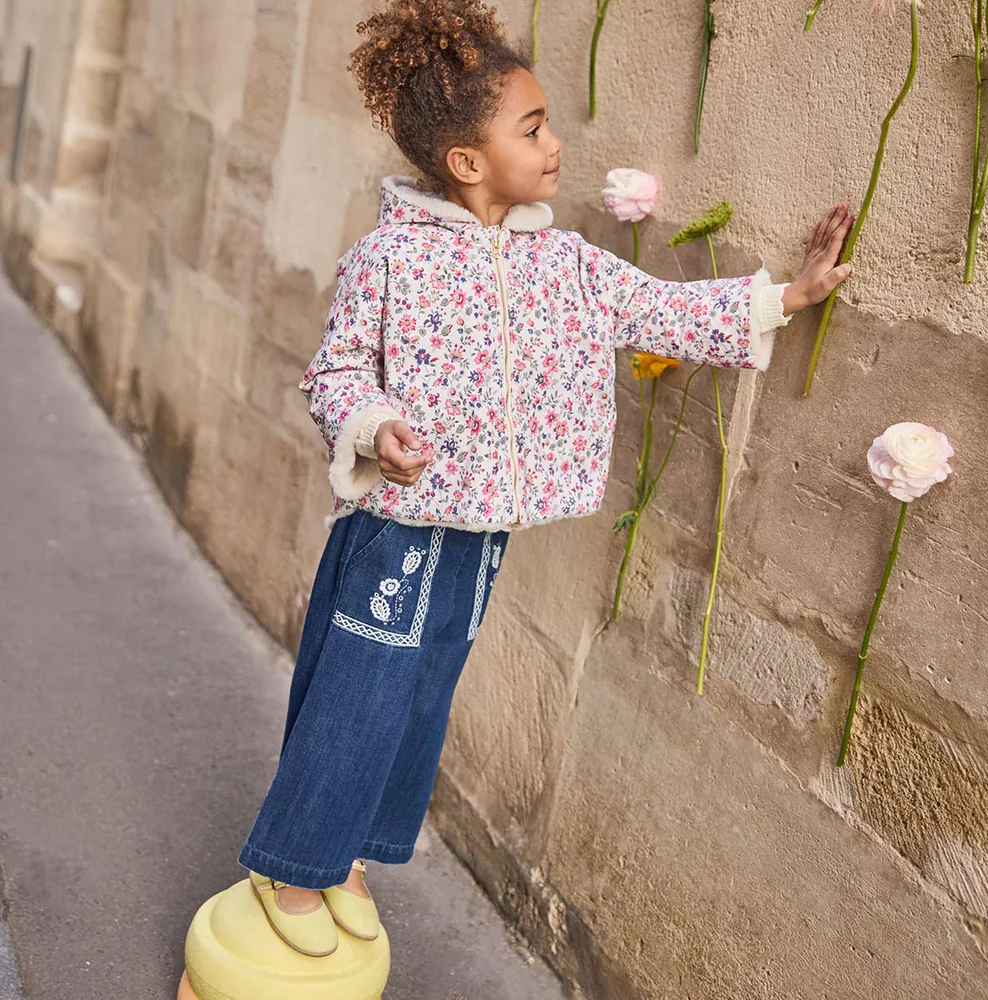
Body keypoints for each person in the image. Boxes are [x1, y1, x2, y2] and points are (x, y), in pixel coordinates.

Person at [235, 0, 856, 958]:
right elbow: (335, 371)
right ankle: (294, 868)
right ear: (467, 162)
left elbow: (666, 313)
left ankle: (350, 854)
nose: (557, 141)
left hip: (482, 530)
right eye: (533, 128)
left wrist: (789, 295)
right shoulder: (390, 259)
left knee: (423, 691)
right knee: (360, 686)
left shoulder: (567, 264)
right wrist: (375, 424)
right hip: (401, 524)